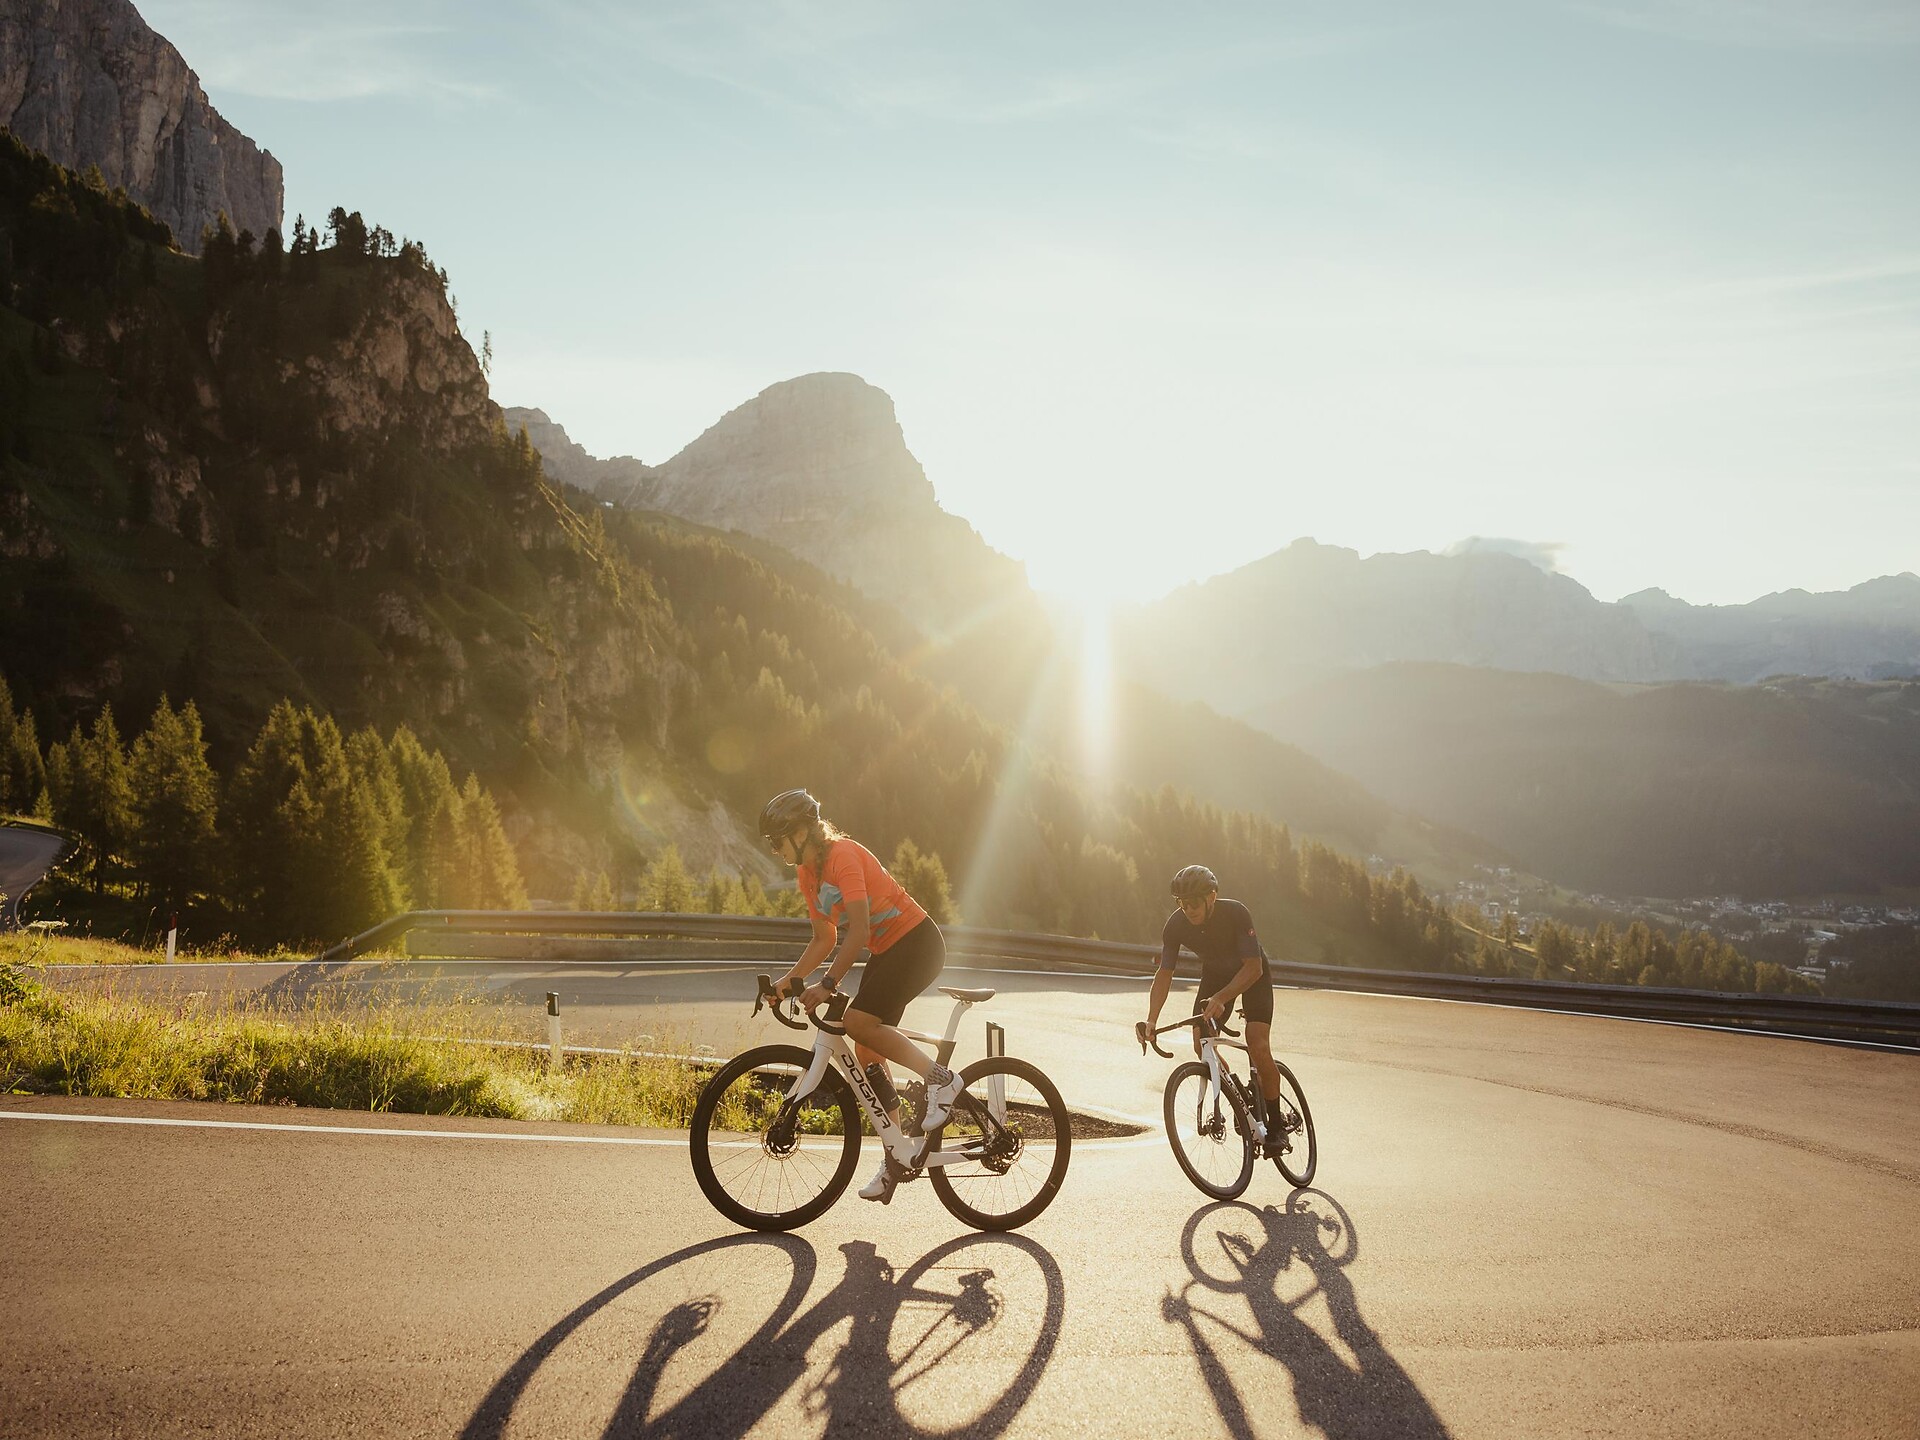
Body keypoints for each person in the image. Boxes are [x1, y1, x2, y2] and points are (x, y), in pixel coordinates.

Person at [761, 788, 962, 1203]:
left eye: (777, 840)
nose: (775, 850)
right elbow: (823, 938)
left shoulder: (843, 857)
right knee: (867, 1048)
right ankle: (896, 1154)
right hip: (888, 951)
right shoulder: (808, 874)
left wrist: (827, 984)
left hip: (917, 943)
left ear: (800, 833)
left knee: (857, 1023)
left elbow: (860, 930)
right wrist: (787, 982)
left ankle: (942, 1082)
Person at [1144, 864, 1286, 1153]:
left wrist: (1221, 997)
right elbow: (1165, 973)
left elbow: (1254, 967)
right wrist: (1151, 1021)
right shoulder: (1176, 925)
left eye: (1194, 903)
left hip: (1251, 974)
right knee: (1202, 1043)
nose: (1188, 910)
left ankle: (1276, 1125)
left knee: (1257, 1043)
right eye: (1182, 903)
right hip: (1216, 976)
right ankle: (1239, 1096)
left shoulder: (1235, 913)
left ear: (1211, 897)